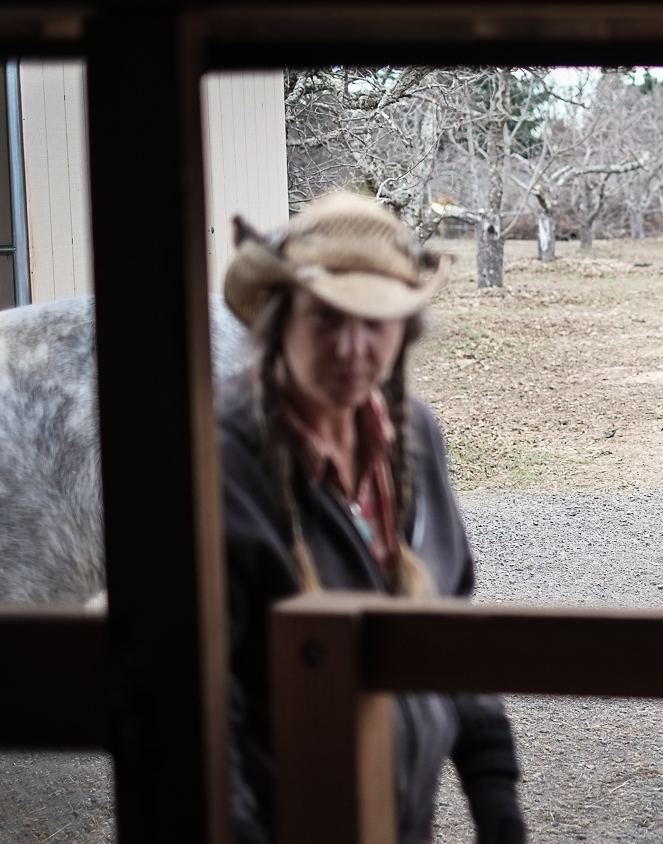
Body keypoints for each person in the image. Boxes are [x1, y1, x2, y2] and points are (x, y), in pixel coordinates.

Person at [218, 192, 525, 844]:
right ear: (278, 319)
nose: (354, 349)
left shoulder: (415, 436)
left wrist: (494, 793)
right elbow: (205, 714)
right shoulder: (221, 463)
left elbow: (450, 625)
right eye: (327, 319)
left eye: (376, 321)